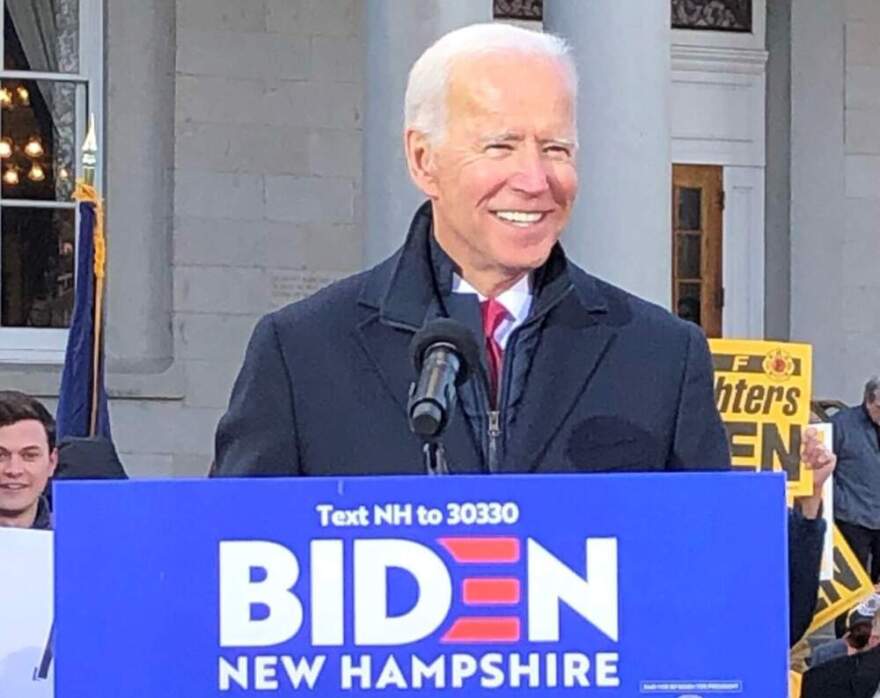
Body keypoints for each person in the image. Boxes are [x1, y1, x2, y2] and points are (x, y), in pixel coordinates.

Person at [212, 22, 833, 642]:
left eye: (556, 148)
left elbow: (737, 613)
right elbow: (231, 587)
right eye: (501, 146)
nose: (535, 180)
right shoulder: (302, 353)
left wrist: (805, 515)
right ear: (423, 159)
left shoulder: (661, 355)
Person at [833, 377, 880, 637]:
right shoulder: (841, 424)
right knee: (852, 586)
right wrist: (842, 503)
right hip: (853, 519)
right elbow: (824, 468)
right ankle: (847, 638)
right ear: (869, 401)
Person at [0, 390, 57, 530]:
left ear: (52, 463)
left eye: (29, 456)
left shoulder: (83, 542)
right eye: (0, 456)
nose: (14, 470)